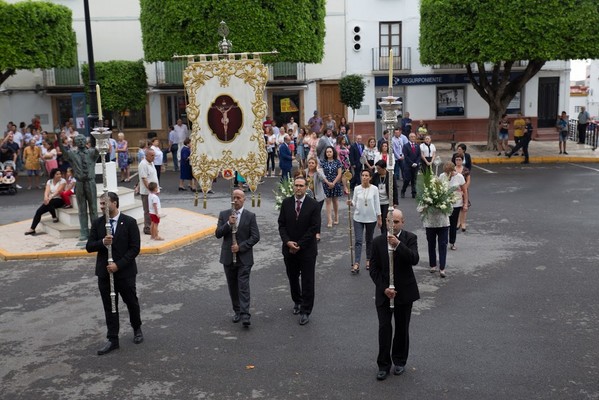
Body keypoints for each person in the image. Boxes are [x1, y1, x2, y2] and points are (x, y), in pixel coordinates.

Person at [86, 191, 143, 355]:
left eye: (105, 203)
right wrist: (102, 242)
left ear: (115, 203)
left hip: (125, 273)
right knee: (110, 307)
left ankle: (137, 328)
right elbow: (89, 246)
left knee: (131, 302)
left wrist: (118, 265)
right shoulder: (98, 224)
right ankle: (113, 339)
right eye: (101, 204)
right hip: (105, 274)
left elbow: (135, 248)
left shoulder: (129, 222)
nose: (102, 207)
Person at [369, 208, 420, 381]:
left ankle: (399, 361)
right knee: (384, 328)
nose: (393, 225)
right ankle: (383, 364)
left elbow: (414, 259)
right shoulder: (377, 242)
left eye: (396, 222)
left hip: (404, 291)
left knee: (401, 328)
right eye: (390, 221)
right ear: (385, 222)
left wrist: (398, 244)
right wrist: (384, 288)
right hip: (385, 293)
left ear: (402, 222)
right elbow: (374, 269)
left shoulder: (410, 238)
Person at [278, 175, 321, 325]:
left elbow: (314, 228)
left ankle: (305, 310)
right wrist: (287, 242)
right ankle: (297, 301)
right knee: (293, 277)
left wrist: (299, 245)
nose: (298, 188)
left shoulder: (313, 205)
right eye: (296, 185)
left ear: (306, 187)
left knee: (308, 280)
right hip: (289, 249)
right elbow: (281, 224)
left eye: (301, 186)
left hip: (307, 250)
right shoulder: (286, 203)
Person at [215, 189, 260, 327]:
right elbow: (218, 234)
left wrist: (241, 247)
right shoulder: (224, 214)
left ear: (244, 199)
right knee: (233, 286)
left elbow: (255, 236)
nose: (236, 200)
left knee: (243, 286)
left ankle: (246, 314)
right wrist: (228, 224)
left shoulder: (250, 216)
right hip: (228, 258)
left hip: (244, 258)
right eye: (234, 197)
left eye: (239, 197)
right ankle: (237, 311)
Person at [58, 134, 99, 241]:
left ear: (85, 141)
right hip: (80, 183)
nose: (80, 142)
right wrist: (58, 137)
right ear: (75, 142)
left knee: (93, 208)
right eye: (78, 140)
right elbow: (64, 152)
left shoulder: (91, 152)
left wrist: (96, 135)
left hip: (90, 182)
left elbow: (98, 149)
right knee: (82, 208)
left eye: (82, 140)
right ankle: (84, 231)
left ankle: (95, 232)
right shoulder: (72, 153)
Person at [348, 169, 382, 274]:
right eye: (363, 175)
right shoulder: (357, 188)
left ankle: (368, 260)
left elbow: (377, 203)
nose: (364, 177)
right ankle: (357, 262)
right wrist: (350, 202)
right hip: (358, 218)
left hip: (371, 218)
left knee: (369, 240)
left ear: (370, 177)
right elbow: (354, 201)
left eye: (367, 175)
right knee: (358, 240)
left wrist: (379, 218)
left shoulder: (375, 189)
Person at [24, 168, 66, 235]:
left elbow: (58, 191)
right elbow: (47, 191)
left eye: (60, 174)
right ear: (53, 175)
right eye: (57, 174)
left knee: (49, 203)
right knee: (39, 211)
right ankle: (32, 229)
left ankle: (54, 216)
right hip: (50, 200)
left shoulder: (63, 181)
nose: (59, 175)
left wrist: (49, 198)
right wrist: (46, 197)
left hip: (60, 199)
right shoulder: (49, 181)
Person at [439, 161, 467, 252]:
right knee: (443, 224)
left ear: (452, 170)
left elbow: (465, 191)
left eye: (449, 172)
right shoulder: (442, 176)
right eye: (446, 172)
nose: (448, 174)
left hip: (456, 204)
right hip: (444, 204)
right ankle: (443, 242)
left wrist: (465, 204)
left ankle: (452, 242)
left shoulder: (459, 177)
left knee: (453, 224)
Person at [372, 160, 399, 235]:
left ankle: (385, 234)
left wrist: (395, 202)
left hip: (387, 201)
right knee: (378, 218)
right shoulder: (375, 176)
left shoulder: (390, 175)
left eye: (379, 168)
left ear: (384, 168)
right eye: (377, 168)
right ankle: (383, 234)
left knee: (385, 219)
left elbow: (394, 188)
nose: (377, 170)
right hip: (377, 201)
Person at [321, 146, 343, 228]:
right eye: (327, 152)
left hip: (335, 183)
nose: (329, 153)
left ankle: (336, 216)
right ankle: (329, 219)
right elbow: (322, 174)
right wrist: (327, 182)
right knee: (328, 202)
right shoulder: (323, 162)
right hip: (326, 183)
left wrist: (333, 183)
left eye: (330, 151)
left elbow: (339, 173)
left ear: (333, 152)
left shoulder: (337, 162)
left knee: (335, 200)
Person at [138, 148, 159, 235]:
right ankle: (147, 228)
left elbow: (153, 176)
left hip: (153, 191)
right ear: (146, 155)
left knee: (153, 210)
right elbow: (144, 179)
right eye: (152, 155)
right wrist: (151, 191)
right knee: (147, 210)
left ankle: (152, 227)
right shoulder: (143, 164)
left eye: (154, 155)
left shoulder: (151, 163)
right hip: (147, 192)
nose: (154, 157)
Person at [305, 157, 326, 241]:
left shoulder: (319, 171)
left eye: (312, 163)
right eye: (309, 163)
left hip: (318, 197)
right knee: (307, 215)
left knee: (316, 215)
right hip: (307, 197)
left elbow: (323, 179)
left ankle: (317, 233)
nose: (311, 164)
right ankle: (308, 231)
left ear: (316, 164)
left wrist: (318, 170)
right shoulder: (305, 172)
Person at [454, 156, 471, 232]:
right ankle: (458, 222)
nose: (458, 161)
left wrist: (463, 190)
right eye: (456, 160)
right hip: (455, 191)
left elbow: (468, 181)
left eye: (459, 160)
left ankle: (463, 223)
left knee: (464, 207)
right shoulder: (452, 169)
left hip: (464, 191)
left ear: (462, 161)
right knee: (457, 207)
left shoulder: (465, 170)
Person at [401, 133, 420, 198]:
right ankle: (403, 191)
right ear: (409, 138)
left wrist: (416, 163)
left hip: (415, 165)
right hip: (408, 165)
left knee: (414, 179)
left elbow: (419, 155)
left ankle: (414, 192)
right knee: (407, 179)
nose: (413, 138)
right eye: (411, 137)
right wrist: (411, 163)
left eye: (414, 137)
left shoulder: (417, 146)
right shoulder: (406, 146)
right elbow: (406, 156)